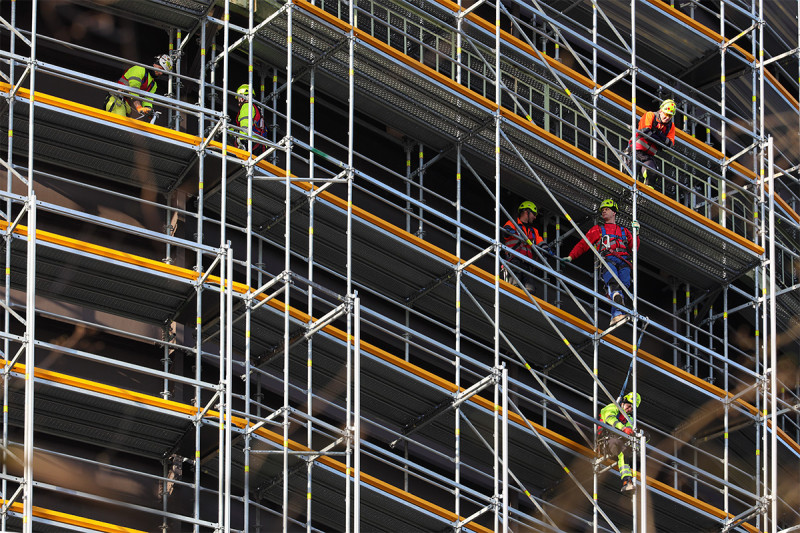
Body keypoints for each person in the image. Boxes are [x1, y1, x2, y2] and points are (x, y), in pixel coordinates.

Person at [562, 199, 638, 327]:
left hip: (624, 261)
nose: (604, 212)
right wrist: (571, 256)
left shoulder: (624, 231)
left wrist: (636, 233)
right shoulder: (597, 229)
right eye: (602, 210)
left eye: (606, 209)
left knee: (624, 285)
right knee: (614, 283)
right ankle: (616, 308)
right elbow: (583, 244)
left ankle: (616, 314)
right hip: (608, 259)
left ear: (614, 212)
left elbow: (634, 248)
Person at [597, 392, 641, 493]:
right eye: (628, 406)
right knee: (618, 443)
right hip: (605, 441)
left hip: (617, 444)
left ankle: (627, 481)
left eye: (632, 408)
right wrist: (623, 428)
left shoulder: (629, 419)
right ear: (623, 402)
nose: (629, 409)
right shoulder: (612, 407)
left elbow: (631, 433)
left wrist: (639, 439)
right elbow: (610, 419)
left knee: (624, 452)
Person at [105, 54, 173, 119]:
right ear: (155, 64)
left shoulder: (153, 84)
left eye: (163, 72)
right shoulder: (139, 69)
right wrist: (139, 107)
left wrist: (149, 110)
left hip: (126, 105)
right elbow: (133, 89)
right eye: (161, 69)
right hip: (116, 101)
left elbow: (148, 99)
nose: (161, 73)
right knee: (119, 125)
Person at [502, 200, 546, 294]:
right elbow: (505, 233)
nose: (535, 217)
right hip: (514, 261)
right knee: (514, 288)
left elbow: (540, 242)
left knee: (530, 292)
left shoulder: (533, 231)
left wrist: (547, 249)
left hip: (527, 265)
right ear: (526, 212)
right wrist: (509, 231)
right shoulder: (512, 223)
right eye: (533, 214)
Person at [631, 98, 677, 187]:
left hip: (648, 155)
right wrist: (661, 140)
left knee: (652, 173)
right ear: (661, 111)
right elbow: (645, 132)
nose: (667, 117)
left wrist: (657, 133)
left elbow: (669, 144)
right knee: (631, 174)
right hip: (635, 150)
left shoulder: (670, 126)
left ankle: (645, 196)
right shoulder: (650, 115)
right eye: (666, 114)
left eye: (670, 116)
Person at [234, 84, 267, 155]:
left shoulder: (247, 106)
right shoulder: (256, 108)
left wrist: (242, 141)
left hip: (249, 141)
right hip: (259, 143)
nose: (238, 103)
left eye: (238, 98)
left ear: (242, 97)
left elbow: (245, 124)